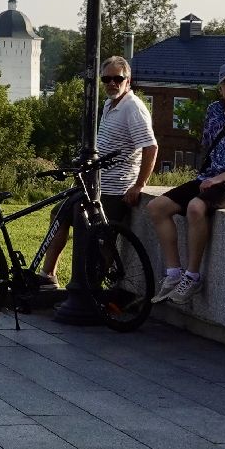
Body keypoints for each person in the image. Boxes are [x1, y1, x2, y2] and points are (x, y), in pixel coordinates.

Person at [148, 60, 225, 305]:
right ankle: (174, 274)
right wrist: (210, 178)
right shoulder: (214, 110)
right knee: (157, 207)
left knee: (196, 207)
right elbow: (208, 145)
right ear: (221, 88)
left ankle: (192, 276)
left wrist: (220, 178)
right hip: (210, 178)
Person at [41, 57, 157, 300]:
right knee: (60, 214)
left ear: (128, 80)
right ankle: (48, 275)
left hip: (116, 189)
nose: (112, 83)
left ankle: (93, 289)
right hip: (95, 185)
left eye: (118, 79)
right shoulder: (109, 104)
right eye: (106, 79)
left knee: (101, 237)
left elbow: (150, 147)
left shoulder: (132, 108)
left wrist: (139, 185)